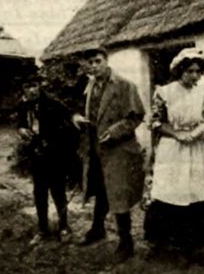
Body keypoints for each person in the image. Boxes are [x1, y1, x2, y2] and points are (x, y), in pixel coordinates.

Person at [143, 48, 204, 266]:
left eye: (198, 72)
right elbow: (155, 122)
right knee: (173, 194)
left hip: (195, 150)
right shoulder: (164, 92)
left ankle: (193, 246)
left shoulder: (203, 93)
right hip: (172, 149)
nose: (194, 76)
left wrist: (199, 131)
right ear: (180, 70)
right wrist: (177, 134)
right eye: (190, 71)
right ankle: (172, 247)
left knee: (195, 194)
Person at [73, 47, 145, 262]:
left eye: (97, 61)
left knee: (118, 194)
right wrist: (76, 117)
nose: (94, 66)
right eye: (90, 63)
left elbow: (136, 116)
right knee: (100, 189)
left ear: (106, 61)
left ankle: (126, 243)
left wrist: (114, 132)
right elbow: (79, 108)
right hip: (95, 148)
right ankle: (97, 230)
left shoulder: (124, 86)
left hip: (119, 149)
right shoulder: (89, 85)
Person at [17, 73, 80, 244]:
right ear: (23, 89)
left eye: (34, 85)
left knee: (58, 192)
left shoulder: (53, 103)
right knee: (39, 193)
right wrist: (21, 130)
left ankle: (64, 227)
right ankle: (42, 229)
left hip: (55, 156)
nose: (31, 90)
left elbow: (70, 117)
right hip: (36, 156)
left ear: (40, 85)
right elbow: (21, 124)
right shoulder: (23, 105)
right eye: (27, 87)